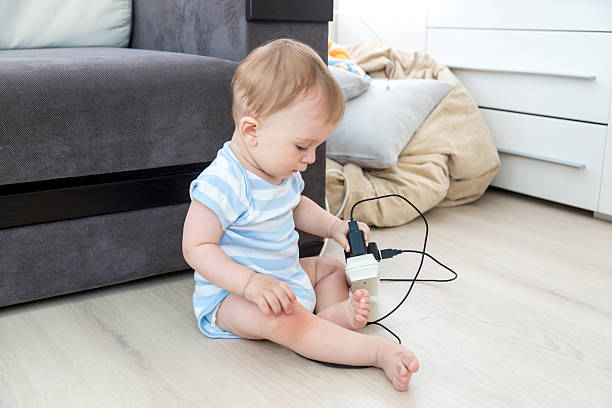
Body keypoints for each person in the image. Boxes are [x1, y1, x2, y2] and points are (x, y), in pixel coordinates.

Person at [182, 38, 419, 391]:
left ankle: (329, 317)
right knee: (283, 319)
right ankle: (373, 352)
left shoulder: (280, 171)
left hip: (284, 275)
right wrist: (250, 283)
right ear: (252, 130)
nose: (310, 159)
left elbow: (297, 207)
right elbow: (196, 247)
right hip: (233, 298)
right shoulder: (223, 182)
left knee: (331, 268)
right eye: (302, 146)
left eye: (315, 147)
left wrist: (334, 226)